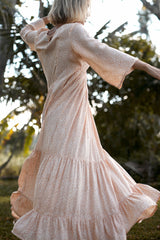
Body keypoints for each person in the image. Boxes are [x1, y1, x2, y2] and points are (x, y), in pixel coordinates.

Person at [10, 0, 160, 239]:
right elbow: (104, 52)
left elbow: (26, 30)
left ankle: (63, 231)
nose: (88, 11)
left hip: (53, 115)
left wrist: (50, 18)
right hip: (72, 114)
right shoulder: (73, 32)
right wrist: (149, 68)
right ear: (78, 7)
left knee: (70, 170)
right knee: (78, 167)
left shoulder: (46, 37)